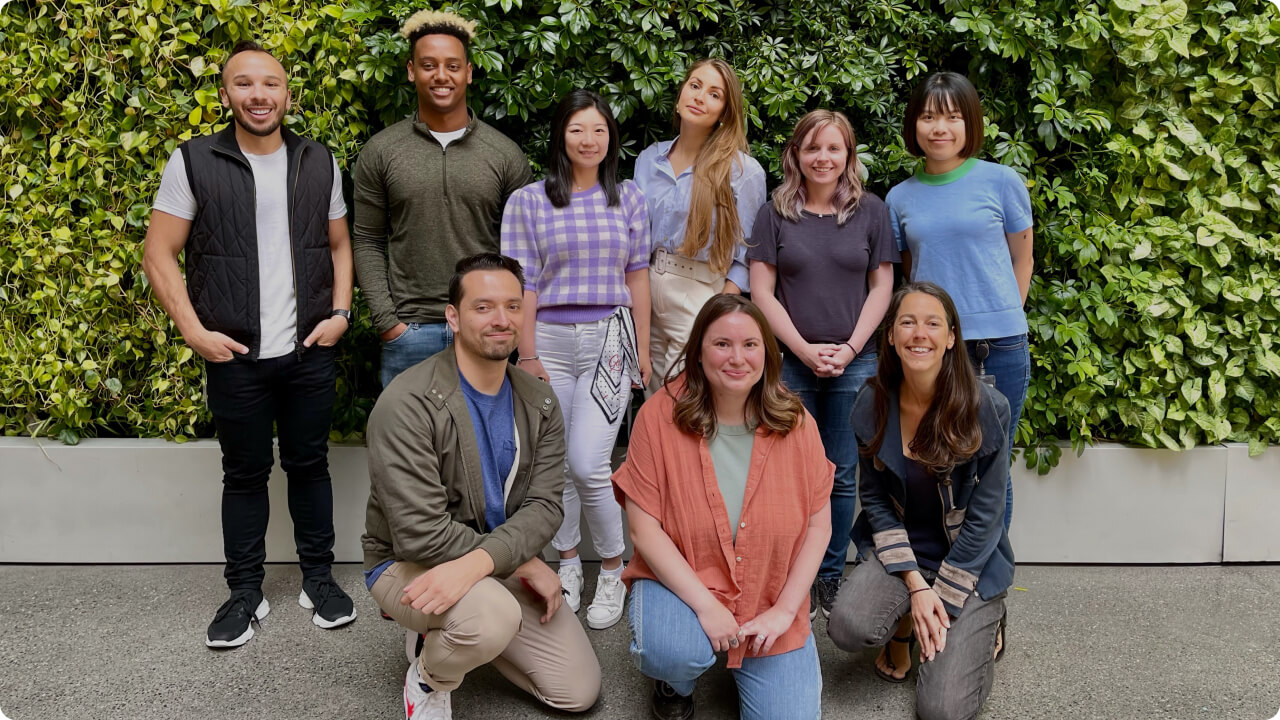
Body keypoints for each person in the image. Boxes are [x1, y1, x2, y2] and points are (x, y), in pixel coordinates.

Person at [142, 41, 356, 648]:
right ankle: (244, 591)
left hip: (310, 348)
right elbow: (159, 254)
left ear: (287, 93)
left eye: (271, 83)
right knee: (244, 473)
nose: (258, 94)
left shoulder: (319, 160)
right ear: (225, 93)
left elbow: (340, 244)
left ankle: (320, 580)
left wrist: (341, 312)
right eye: (244, 84)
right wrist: (193, 330)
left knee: (309, 465)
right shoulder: (193, 161)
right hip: (234, 354)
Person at [363, 253, 601, 720]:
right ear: (453, 317)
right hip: (407, 562)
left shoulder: (539, 400)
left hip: (493, 562)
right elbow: (419, 533)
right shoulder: (407, 403)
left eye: (513, 306)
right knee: (490, 617)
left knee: (578, 692)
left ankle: (448, 630)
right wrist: (520, 561)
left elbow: (546, 507)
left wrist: (489, 563)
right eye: (483, 307)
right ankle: (429, 678)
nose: (501, 320)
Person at [612, 295, 834, 720]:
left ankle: (745, 651)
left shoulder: (797, 422)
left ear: (768, 354)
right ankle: (675, 681)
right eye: (722, 344)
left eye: (751, 345)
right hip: (684, 581)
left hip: (766, 596)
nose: (737, 358)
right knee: (676, 650)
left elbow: (818, 527)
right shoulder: (659, 416)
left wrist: (785, 611)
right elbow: (644, 531)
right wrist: (706, 606)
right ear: (698, 351)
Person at [826, 282, 1014, 720]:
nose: (919, 333)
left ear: (951, 337)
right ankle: (905, 627)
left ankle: (986, 623)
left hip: (970, 562)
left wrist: (942, 602)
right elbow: (875, 501)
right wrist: (916, 586)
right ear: (890, 334)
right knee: (847, 626)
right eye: (907, 322)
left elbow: (987, 517)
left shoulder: (988, 407)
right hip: (906, 554)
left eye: (933, 323)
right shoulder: (871, 402)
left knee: (941, 712)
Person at [500, 90, 650, 630]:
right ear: (561, 137)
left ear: (611, 139)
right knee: (555, 464)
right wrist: (528, 351)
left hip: (611, 336)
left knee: (590, 463)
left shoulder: (628, 197)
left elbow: (637, 277)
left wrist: (642, 352)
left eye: (599, 130)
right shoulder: (529, 201)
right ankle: (568, 563)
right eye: (577, 130)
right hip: (549, 341)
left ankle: (613, 566)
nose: (589, 140)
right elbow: (525, 282)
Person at [748, 109, 899, 618]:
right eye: (812, 148)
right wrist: (804, 350)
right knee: (783, 475)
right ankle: (788, 574)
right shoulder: (774, 214)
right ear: (795, 154)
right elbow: (762, 292)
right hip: (790, 363)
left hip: (855, 363)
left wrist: (852, 348)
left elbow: (882, 289)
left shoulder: (872, 212)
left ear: (848, 155)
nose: (823, 158)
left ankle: (828, 578)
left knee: (840, 474)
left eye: (833, 148)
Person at [885, 71, 1034, 530]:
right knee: (933, 459)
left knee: (992, 467)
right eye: (929, 117)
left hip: (998, 346)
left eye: (951, 117)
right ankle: (938, 570)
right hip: (931, 346)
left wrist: (1004, 318)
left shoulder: (1002, 181)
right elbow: (912, 272)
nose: (939, 128)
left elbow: (1022, 258)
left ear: (970, 123)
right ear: (914, 125)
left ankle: (989, 581)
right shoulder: (898, 198)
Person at [353, 10, 532, 388]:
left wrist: (506, 318)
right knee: (407, 447)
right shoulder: (382, 151)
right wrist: (389, 325)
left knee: (484, 445)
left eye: (452, 65)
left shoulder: (504, 154)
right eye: (429, 65)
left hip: (484, 328)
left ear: (468, 72)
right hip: (410, 332)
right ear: (410, 71)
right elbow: (367, 240)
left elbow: (524, 249)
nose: (441, 75)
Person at [634, 58, 766, 393]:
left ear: (724, 111)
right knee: (648, 395)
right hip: (645, 287)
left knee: (684, 395)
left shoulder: (741, 171)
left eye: (714, 94)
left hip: (699, 290)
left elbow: (748, 253)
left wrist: (719, 309)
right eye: (694, 85)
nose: (699, 97)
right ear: (679, 96)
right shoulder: (649, 159)